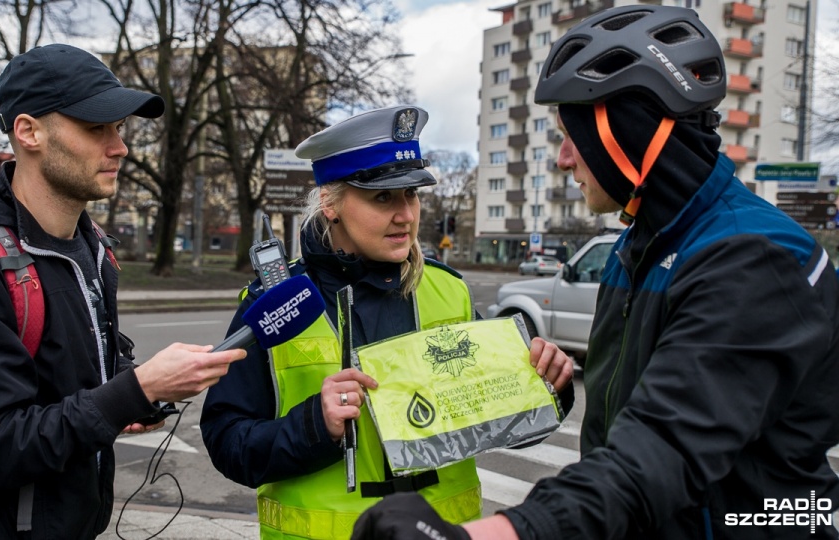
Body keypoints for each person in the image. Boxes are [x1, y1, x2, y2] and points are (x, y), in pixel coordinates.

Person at [352, 5, 839, 540]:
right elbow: (618, 433)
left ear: (624, 133)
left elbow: (658, 453)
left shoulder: (753, 257)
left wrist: (489, 534)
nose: (563, 160)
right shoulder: (641, 242)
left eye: (569, 135)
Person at [0, 44, 247, 539]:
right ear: (28, 131)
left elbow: (71, 374)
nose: (118, 146)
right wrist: (133, 392)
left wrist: (137, 391)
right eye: (96, 127)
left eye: (119, 128)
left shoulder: (89, 245)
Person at [200, 104, 574, 539]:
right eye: (383, 197)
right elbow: (227, 442)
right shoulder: (273, 302)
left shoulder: (448, 291)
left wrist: (548, 388)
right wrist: (313, 426)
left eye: (412, 194)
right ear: (331, 203)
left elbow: (498, 423)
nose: (406, 215)